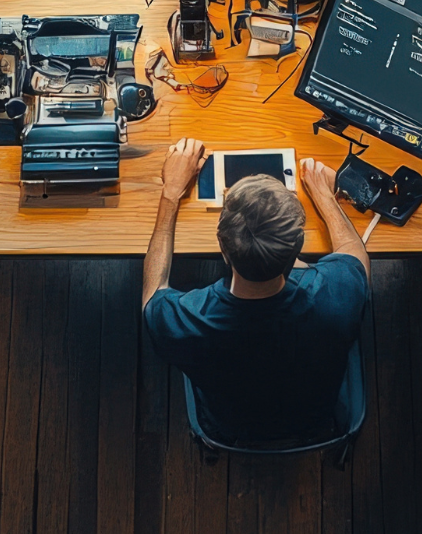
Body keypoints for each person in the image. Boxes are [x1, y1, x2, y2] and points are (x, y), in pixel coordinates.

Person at [142, 139, 371, 445]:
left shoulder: (186, 321)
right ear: (297, 252)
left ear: (222, 249)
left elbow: (153, 289)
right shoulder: (337, 296)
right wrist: (323, 195)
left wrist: (171, 194)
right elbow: (355, 256)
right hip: (316, 421)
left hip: (226, 428)